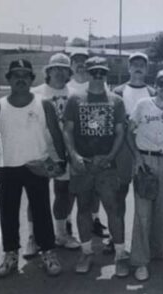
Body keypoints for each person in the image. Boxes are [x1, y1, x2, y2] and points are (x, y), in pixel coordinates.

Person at [0, 59, 65, 278]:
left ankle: (48, 252)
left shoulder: (44, 103)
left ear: (31, 79)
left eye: (25, 75)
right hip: (8, 167)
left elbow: (56, 134)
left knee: (41, 212)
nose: (21, 78)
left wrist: (61, 161)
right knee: (8, 214)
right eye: (16, 74)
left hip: (37, 166)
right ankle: (10, 254)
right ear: (8, 79)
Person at [62, 56, 129, 277]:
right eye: (94, 72)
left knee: (113, 208)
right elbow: (68, 131)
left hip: (106, 164)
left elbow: (120, 133)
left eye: (102, 73)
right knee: (83, 208)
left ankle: (120, 254)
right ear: (87, 74)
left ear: (106, 74)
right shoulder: (75, 99)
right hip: (84, 163)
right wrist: (74, 156)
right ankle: (87, 252)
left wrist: (110, 156)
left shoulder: (116, 100)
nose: (98, 76)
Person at [20, 53, 81, 257]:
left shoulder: (74, 94)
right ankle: (33, 237)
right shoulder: (36, 92)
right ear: (48, 71)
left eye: (64, 68)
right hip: (41, 148)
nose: (59, 72)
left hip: (64, 149)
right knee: (36, 194)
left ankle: (61, 234)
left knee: (64, 191)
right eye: (55, 68)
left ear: (69, 73)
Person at [128, 69, 163, 281]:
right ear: (155, 84)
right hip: (145, 160)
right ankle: (140, 261)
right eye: (162, 83)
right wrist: (138, 159)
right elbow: (128, 132)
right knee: (143, 212)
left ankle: (158, 251)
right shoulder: (143, 105)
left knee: (161, 211)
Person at [112, 52, 156, 253]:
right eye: (134, 64)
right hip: (122, 150)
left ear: (147, 69)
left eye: (142, 64)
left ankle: (146, 238)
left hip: (146, 149)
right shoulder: (118, 91)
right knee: (119, 194)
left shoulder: (153, 92)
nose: (138, 67)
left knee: (146, 195)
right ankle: (116, 237)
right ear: (129, 68)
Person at [67, 50, 110, 240]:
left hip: (100, 153)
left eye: (82, 60)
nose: (79, 64)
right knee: (74, 194)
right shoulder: (71, 91)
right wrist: (74, 154)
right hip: (78, 151)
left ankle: (95, 220)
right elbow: (68, 128)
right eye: (75, 60)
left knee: (98, 195)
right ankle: (67, 223)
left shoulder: (104, 90)